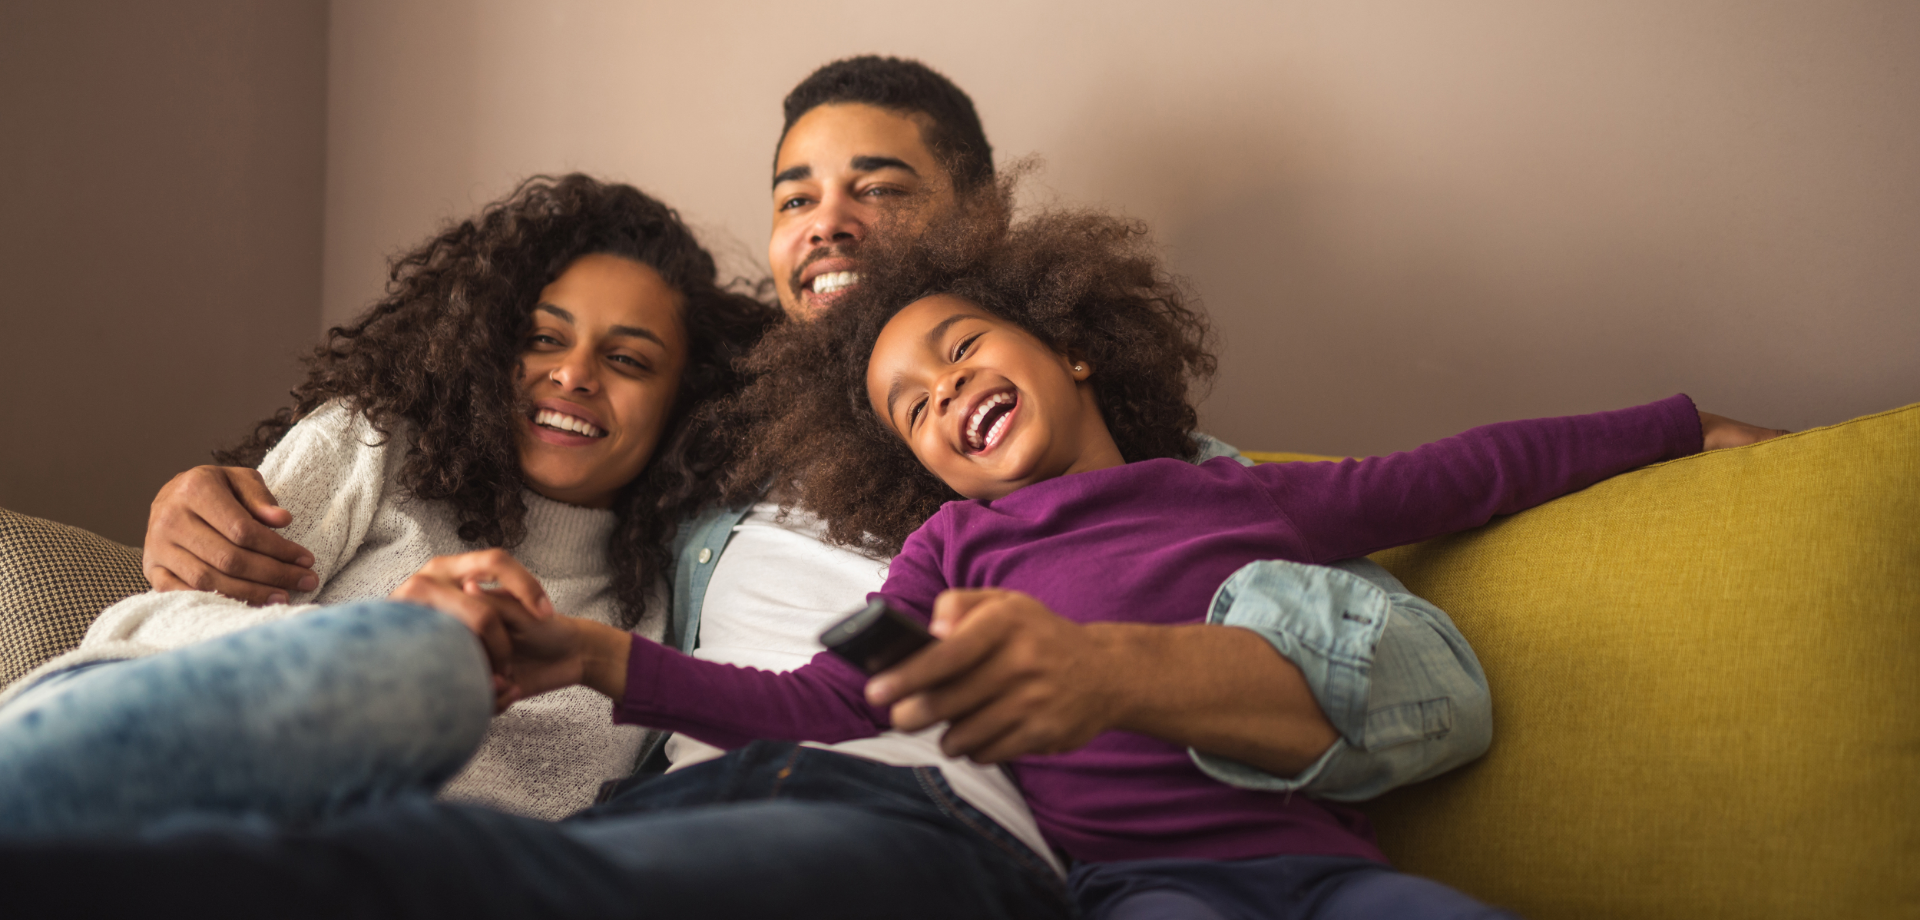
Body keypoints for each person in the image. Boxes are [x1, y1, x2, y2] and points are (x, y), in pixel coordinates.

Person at [51, 58, 1516, 916]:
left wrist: (1110, 670)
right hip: (695, 800)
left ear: (982, 237)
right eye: (795, 195)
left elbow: (1430, 693)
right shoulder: (701, 445)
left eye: (880, 187)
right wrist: (214, 495)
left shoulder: (1131, 481)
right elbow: (507, 432)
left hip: (924, 832)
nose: (828, 223)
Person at [459, 201, 1785, 919]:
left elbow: (1470, 470)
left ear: (1067, 341)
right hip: (1138, 893)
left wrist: (1681, 425)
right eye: (911, 408)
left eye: (959, 351)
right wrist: (600, 656)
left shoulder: (1237, 497)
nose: (942, 395)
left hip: (1332, 873)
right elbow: (817, 706)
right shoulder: (953, 549)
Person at [0, 174, 777, 826]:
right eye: (543, 338)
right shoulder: (379, 443)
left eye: (626, 359)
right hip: (158, 762)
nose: (573, 374)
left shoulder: (669, 596)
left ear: (686, 404)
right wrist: (389, 650)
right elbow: (149, 628)